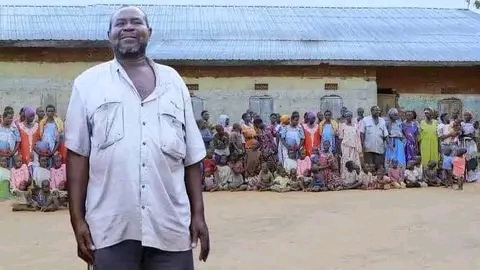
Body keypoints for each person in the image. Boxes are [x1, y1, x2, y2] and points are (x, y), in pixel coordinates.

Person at [65, 6, 209, 269]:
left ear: (148, 32)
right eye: (120, 23)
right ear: (109, 34)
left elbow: (191, 158)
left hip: (170, 226)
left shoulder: (174, 82)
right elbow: (77, 157)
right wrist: (77, 220)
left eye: (135, 22)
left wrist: (198, 215)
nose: (128, 27)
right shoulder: (87, 84)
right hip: (111, 226)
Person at [360, 106, 388, 170]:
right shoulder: (365, 120)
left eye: (378, 110)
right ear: (371, 111)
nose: (377, 112)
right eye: (376, 110)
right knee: (369, 166)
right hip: (368, 146)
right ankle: (369, 178)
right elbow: (362, 133)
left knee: (378, 165)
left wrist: (389, 144)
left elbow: (385, 134)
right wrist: (363, 143)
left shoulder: (382, 120)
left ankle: (377, 179)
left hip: (379, 147)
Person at [338, 110, 362, 177]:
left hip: (354, 147)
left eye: (350, 116)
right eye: (347, 116)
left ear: (352, 117)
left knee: (354, 161)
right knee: (346, 162)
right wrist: (340, 150)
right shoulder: (342, 126)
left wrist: (359, 148)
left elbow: (358, 137)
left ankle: (355, 178)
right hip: (345, 147)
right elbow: (340, 138)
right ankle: (346, 178)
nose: (349, 117)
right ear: (345, 117)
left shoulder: (355, 126)